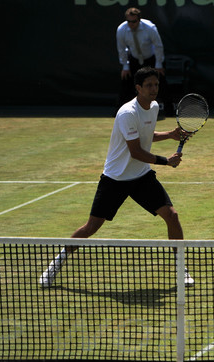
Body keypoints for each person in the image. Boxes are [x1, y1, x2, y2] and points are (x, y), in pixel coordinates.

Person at [39, 67, 193, 288]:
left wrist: (169, 134)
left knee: (172, 215)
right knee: (91, 227)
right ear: (138, 88)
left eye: (156, 85)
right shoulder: (127, 113)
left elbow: (146, 137)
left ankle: (181, 269)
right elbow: (136, 151)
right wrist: (165, 161)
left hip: (141, 177)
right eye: (148, 85)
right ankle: (54, 266)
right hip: (115, 179)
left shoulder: (154, 107)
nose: (153, 89)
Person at [117, 7, 170, 118]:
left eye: (134, 21)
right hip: (134, 59)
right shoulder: (121, 29)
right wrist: (125, 66)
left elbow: (158, 46)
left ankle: (169, 111)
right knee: (126, 82)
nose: (131, 24)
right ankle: (120, 113)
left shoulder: (150, 27)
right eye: (129, 21)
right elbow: (121, 49)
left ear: (139, 20)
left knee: (161, 83)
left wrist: (159, 64)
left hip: (151, 59)